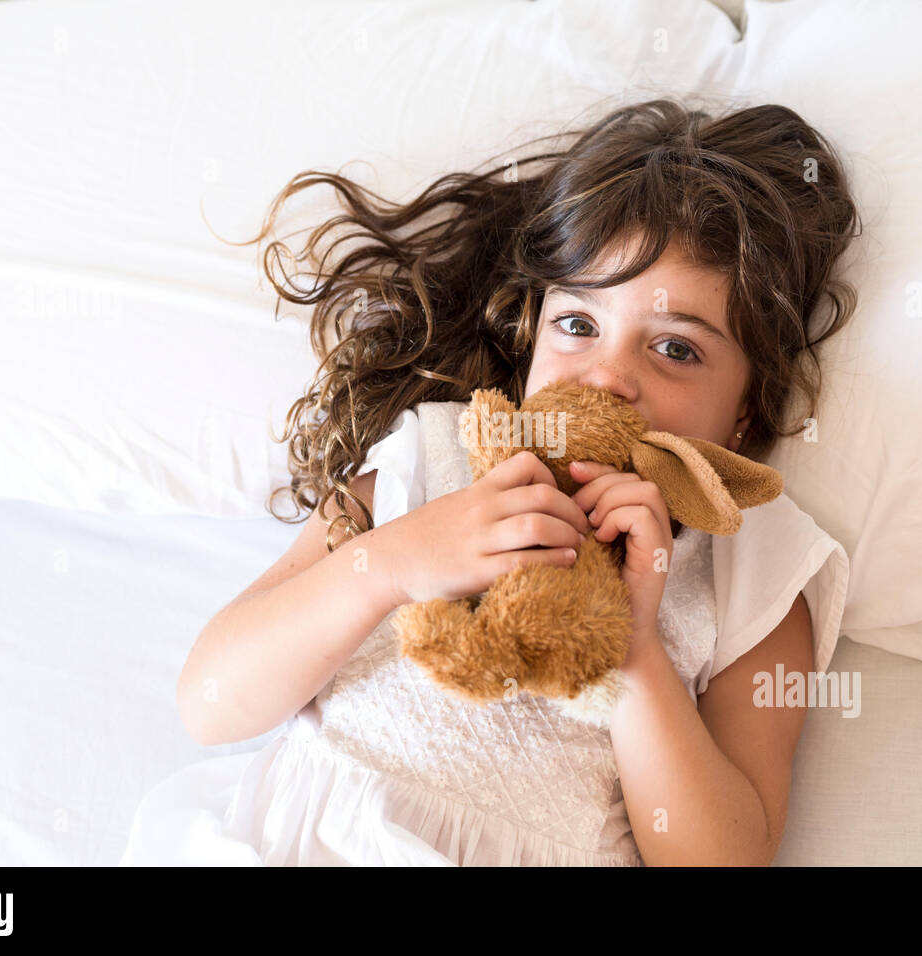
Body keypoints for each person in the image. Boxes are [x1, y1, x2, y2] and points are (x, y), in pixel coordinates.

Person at [120, 97, 862, 866]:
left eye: (675, 349)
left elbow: (721, 859)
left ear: (746, 414)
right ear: (534, 333)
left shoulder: (750, 560)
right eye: (578, 325)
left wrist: (637, 649)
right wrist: (394, 563)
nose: (609, 376)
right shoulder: (434, 456)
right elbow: (209, 702)